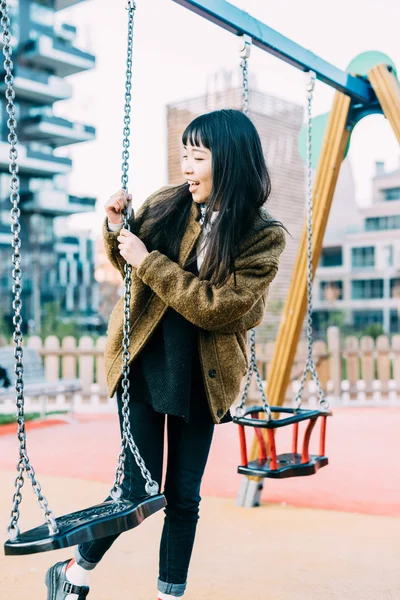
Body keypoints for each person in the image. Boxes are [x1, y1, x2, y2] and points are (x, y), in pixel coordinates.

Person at [44, 108, 286, 600]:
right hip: (147, 361)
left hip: (205, 372)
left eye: (198, 157)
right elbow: (128, 265)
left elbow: (218, 308)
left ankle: (168, 594)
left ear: (231, 161)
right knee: (137, 489)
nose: (187, 167)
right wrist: (116, 229)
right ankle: (74, 573)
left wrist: (148, 260)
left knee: (183, 498)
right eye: (184, 155)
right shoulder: (166, 205)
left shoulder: (261, 234)